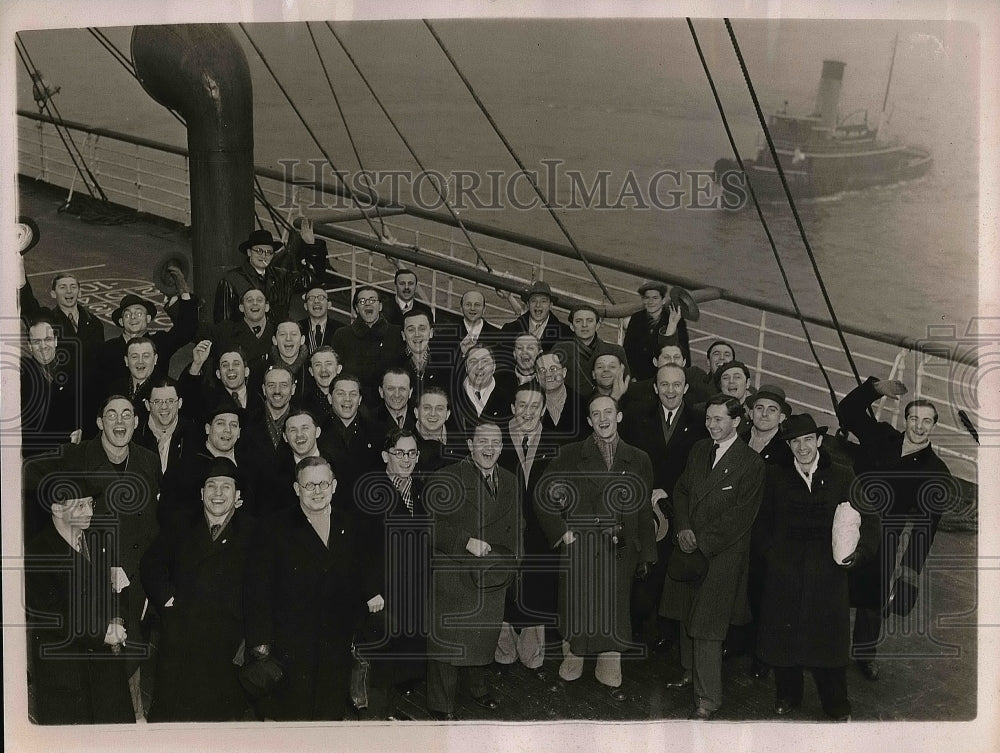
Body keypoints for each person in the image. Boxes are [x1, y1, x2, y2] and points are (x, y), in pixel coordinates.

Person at [23, 394, 161, 719]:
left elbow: (153, 525)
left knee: (128, 667)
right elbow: (28, 475)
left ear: (137, 422)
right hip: (86, 580)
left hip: (132, 583)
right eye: (111, 414)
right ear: (99, 423)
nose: (119, 421)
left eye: (127, 414)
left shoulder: (148, 460)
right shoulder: (78, 454)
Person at [754, 413, 879, 721]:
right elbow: (761, 524)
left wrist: (860, 553)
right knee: (784, 643)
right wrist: (773, 557)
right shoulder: (775, 476)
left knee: (829, 648)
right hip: (785, 577)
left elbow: (871, 521)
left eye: (808, 440)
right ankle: (788, 694)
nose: (802, 447)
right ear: (789, 445)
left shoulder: (842, 475)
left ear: (820, 441)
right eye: (795, 441)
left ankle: (836, 704)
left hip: (827, 578)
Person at [534, 394, 656, 701]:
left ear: (618, 417)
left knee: (613, 605)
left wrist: (646, 552)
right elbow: (543, 495)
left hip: (619, 548)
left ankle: (609, 658)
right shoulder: (570, 454)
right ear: (589, 421)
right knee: (578, 603)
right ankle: (573, 654)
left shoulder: (639, 458)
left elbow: (642, 510)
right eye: (595, 414)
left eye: (608, 412)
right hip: (581, 547)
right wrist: (563, 533)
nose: (602, 418)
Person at [243, 456, 382, 720]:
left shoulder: (350, 525)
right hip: (290, 647)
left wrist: (371, 592)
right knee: (292, 718)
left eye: (323, 484)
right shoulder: (274, 527)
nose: (317, 492)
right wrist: (260, 641)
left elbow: (363, 570)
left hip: (336, 643)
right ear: (297, 489)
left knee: (329, 715)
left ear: (334, 486)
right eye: (310, 486)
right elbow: (257, 589)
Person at [836, 376, 955, 681]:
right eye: (914, 418)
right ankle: (823, 645)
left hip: (886, 536)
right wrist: (875, 389)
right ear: (905, 419)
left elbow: (925, 529)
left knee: (872, 599)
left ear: (933, 426)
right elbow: (848, 410)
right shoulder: (880, 436)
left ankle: (864, 654)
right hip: (847, 519)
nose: (919, 426)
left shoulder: (936, 471)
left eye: (927, 421)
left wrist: (908, 577)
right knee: (828, 583)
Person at [660, 394, 765, 720]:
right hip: (689, 544)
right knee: (685, 615)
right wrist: (684, 528)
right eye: (709, 418)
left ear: (737, 421)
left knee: (707, 629)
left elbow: (740, 517)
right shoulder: (699, 450)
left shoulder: (751, 464)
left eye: (719, 419)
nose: (712, 425)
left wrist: (699, 541)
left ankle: (708, 699)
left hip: (721, 557)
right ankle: (689, 672)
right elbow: (681, 491)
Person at [140, 457, 255, 721]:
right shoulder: (181, 524)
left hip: (227, 643)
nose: (217, 494)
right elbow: (151, 563)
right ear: (201, 493)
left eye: (226, 487)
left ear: (237, 495)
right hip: (182, 639)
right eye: (211, 487)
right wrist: (168, 599)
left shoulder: (252, 531)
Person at [424, 422, 523, 720]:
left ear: (502, 447)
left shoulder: (509, 480)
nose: (489, 448)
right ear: (469, 444)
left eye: (495, 442)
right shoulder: (446, 477)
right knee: (448, 646)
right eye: (482, 441)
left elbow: (519, 526)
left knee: (482, 639)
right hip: (455, 572)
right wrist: (465, 542)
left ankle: (477, 688)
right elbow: (430, 526)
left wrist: (514, 564)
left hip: (493, 574)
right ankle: (440, 704)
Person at [25, 485, 134, 724]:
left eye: (91, 504)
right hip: (66, 669)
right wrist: (102, 632)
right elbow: (55, 615)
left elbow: (119, 586)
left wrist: (117, 618)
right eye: (80, 505)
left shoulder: (99, 537)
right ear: (56, 508)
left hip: (105, 668)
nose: (90, 513)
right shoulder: (38, 552)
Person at [620, 363, 707, 651]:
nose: (670, 391)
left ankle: (665, 632)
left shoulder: (700, 423)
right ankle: (636, 627)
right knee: (641, 568)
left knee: (670, 570)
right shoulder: (636, 417)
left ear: (685, 388)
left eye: (676, 385)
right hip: (642, 505)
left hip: (678, 507)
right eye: (664, 385)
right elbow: (627, 460)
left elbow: (699, 469)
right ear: (656, 388)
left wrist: (669, 492)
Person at [354, 429, 432, 719]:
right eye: (400, 453)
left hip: (413, 588)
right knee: (381, 659)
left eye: (412, 453)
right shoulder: (370, 491)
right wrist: (371, 590)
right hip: (383, 592)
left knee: (405, 655)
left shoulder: (421, 489)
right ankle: (376, 720)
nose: (407, 459)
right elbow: (360, 548)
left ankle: (392, 713)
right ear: (386, 455)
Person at [496, 383, 561, 682]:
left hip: (539, 533)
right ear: (512, 408)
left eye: (535, 406)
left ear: (544, 410)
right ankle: (503, 652)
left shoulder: (556, 444)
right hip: (503, 530)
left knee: (538, 590)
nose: (528, 412)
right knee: (503, 590)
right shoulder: (495, 439)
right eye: (522, 405)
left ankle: (533, 656)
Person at [98, 290, 198, 387]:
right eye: (127, 315)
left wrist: (184, 293)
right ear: (121, 321)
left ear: (148, 318)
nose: (133, 317)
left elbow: (186, 330)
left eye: (139, 313)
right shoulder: (108, 349)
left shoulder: (160, 342)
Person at [213, 227, 314, 323]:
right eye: (259, 251)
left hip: (277, 339)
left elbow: (311, 280)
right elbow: (223, 323)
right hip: (245, 340)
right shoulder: (232, 280)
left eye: (268, 252)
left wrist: (311, 246)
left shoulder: (283, 277)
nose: (264, 256)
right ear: (249, 252)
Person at [20, 313, 84, 458]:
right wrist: (66, 439)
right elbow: (27, 434)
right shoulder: (22, 378)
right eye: (36, 342)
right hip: (38, 458)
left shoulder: (73, 370)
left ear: (55, 341)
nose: (43, 346)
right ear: (29, 346)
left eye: (47, 339)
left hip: (74, 455)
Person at [331, 286, 405, 403]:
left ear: (380, 306)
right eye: (362, 301)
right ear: (356, 308)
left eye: (372, 300)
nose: (367, 304)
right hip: (352, 402)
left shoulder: (397, 333)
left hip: (390, 402)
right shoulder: (342, 335)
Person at [550, 304, 627, 396]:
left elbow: (625, 383)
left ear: (598, 325)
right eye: (579, 321)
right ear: (571, 326)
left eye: (589, 321)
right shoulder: (560, 350)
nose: (584, 325)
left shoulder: (615, 351)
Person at [134, 376, 203, 477]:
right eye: (157, 401)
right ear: (147, 405)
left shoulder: (193, 434)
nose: (164, 407)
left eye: (170, 401)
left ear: (180, 403)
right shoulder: (136, 435)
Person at [623, 280, 691, 381]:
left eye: (655, 298)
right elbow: (627, 350)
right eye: (647, 298)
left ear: (663, 300)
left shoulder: (675, 320)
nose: (650, 302)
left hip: (665, 377)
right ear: (643, 300)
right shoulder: (636, 318)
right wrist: (630, 376)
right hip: (638, 377)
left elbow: (684, 352)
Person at [448, 344, 515, 436]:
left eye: (485, 361)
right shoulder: (452, 397)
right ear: (466, 368)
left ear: (494, 367)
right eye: (473, 362)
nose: (479, 367)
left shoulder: (508, 398)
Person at [533, 350, 588, 445]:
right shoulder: (529, 406)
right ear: (537, 377)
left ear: (564, 372)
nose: (548, 374)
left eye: (553, 369)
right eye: (542, 370)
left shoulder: (583, 404)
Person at [499, 280, 571, 352]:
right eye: (533, 301)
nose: (538, 305)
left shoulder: (565, 334)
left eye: (543, 301)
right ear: (528, 304)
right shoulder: (509, 330)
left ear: (550, 305)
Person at [297, 286, 340, 354]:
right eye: (311, 298)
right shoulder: (296, 328)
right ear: (305, 306)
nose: (316, 301)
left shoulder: (341, 329)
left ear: (329, 305)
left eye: (321, 297)